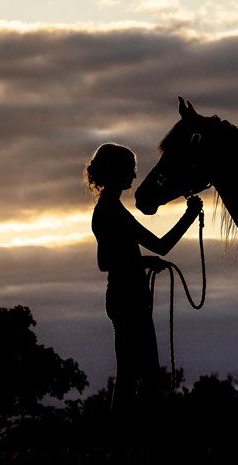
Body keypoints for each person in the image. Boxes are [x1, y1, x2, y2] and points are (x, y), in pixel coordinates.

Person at [86, 142, 202, 414]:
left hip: (124, 295)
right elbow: (157, 246)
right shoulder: (112, 211)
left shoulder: (109, 209)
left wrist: (141, 261)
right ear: (117, 172)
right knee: (142, 372)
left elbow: (111, 259)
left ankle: (130, 439)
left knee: (132, 370)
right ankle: (138, 439)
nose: (135, 176)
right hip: (128, 298)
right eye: (130, 170)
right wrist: (190, 215)